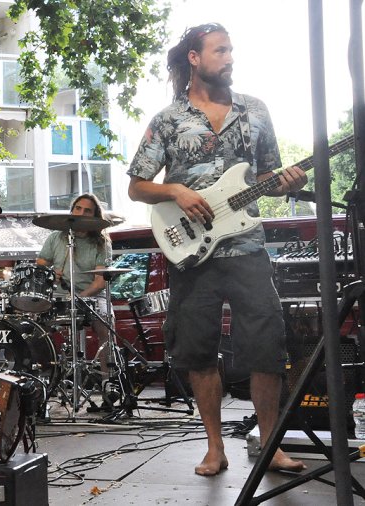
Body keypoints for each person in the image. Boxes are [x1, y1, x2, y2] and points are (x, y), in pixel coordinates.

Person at [126, 23, 307, 476]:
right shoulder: (168, 118)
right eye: (220, 50)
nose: (229, 57)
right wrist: (175, 192)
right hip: (192, 253)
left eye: (231, 50)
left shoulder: (256, 111)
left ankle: (269, 445)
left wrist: (286, 184)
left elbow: (267, 176)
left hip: (247, 248)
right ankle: (214, 448)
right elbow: (136, 186)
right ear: (194, 57)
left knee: (267, 349)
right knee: (198, 352)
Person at [35, 193, 114, 407]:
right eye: (77, 209)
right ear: (71, 212)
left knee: (105, 326)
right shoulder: (56, 238)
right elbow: (40, 267)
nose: (81, 213)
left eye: (87, 211)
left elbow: (100, 282)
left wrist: (78, 298)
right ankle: (39, 382)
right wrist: (51, 274)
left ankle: (108, 384)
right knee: (34, 328)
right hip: (59, 295)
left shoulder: (101, 243)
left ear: (95, 215)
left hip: (91, 295)